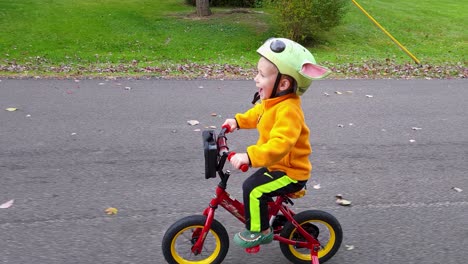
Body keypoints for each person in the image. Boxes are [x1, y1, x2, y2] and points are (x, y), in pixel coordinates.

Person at [222, 37, 331, 248]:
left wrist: (250, 156)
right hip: (277, 167)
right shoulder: (273, 102)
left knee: (253, 188)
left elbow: (281, 144)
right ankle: (272, 219)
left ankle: (259, 231)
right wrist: (237, 122)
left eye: (261, 75)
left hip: (291, 173)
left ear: (283, 83)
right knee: (257, 186)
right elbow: (257, 114)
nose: (255, 79)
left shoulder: (289, 110)